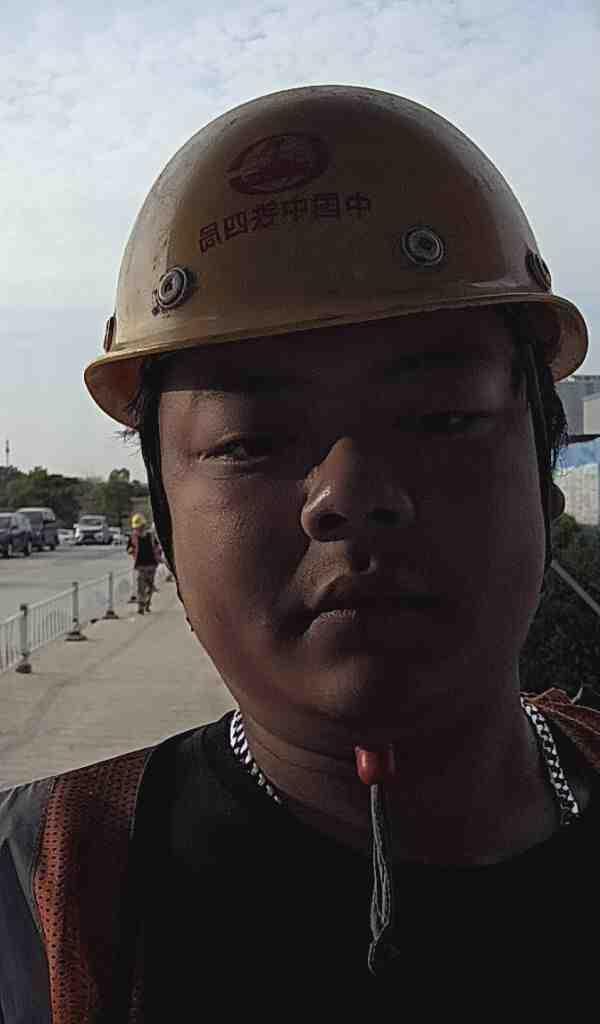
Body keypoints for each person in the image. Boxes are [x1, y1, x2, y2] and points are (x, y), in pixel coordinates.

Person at [0, 86, 597, 1020]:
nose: (347, 494)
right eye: (249, 440)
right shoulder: (40, 897)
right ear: (166, 531)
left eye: (441, 418)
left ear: (544, 481)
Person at [127, 512, 161, 613]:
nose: (137, 529)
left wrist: (159, 557)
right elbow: (129, 548)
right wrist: (130, 550)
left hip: (152, 565)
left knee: (149, 586)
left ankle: (147, 603)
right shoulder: (133, 537)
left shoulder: (151, 536)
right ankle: (141, 606)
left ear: (143, 526)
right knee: (140, 587)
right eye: (136, 528)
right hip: (140, 565)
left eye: (139, 527)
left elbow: (157, 547)